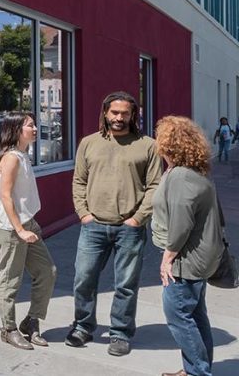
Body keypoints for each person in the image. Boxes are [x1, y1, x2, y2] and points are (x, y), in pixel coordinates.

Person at [66, 91, 162, 356]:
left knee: (126, 285)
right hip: (93, 225)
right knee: (84, 279)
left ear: (133, 115)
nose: (119, 118)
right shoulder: (88, 143)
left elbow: (155, 185)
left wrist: (137, 219)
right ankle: (83, 326)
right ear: (105, 113)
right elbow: (79, 181)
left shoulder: (148, 145)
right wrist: (83, 213)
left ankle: (120, 333)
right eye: (114, 113)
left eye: (124, 113)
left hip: (129, 228)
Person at [152, 116, 224, 376]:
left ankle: (198, 372)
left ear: (168, 144)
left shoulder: (182, 176)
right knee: (195, 314)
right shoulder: (190, 172)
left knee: (178, 315)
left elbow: (181, 223)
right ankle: (193, 368)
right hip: (195, 255)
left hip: (185, 258)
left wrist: (167, 258)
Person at [0, 113, 57, 351]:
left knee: (47, 272)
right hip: (10, 228)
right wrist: (19, 229)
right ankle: (8, 329)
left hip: (28, 223)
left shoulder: (23, 156)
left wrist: (27, 226)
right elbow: (5, 196)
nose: (36, 128)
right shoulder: (11, 158)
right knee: (10, 280)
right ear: (17, 130)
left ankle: (30, 322)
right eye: (30, 125)